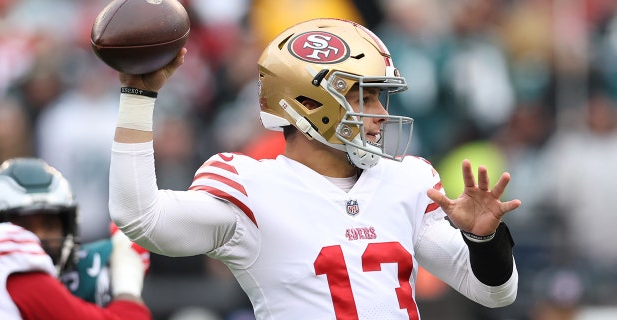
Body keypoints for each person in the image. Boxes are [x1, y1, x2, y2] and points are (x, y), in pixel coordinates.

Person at [109, 18, 521, 319]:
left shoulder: (407, 180)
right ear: (308, 104)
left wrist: (483, 239)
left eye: (381, 98)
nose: (380, 115)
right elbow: (141, 217)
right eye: (365, 98)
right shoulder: (252, 188)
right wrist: (138, 96)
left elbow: (496, 293)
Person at [0, 157, 151, 319]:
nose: (39, 238)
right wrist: (128, 280)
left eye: (49, 226)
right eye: (25, 226)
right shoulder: (15, 276)